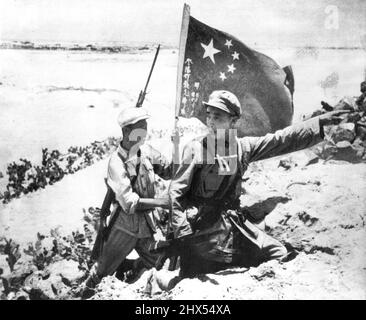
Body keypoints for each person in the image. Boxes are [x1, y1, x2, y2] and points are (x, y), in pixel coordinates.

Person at [168, 90, 349, 277]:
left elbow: (280, 140)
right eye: (209, 116)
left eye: (218, 116)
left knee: (278, 252)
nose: (211, 122)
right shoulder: (196, 149)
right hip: (203, 231)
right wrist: (182, 232)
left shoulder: (243, 148)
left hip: (233, 227)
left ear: (233, 121)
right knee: (200, 273)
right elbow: (176, 192)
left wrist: (318, 123)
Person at [80, 107, 172, 298]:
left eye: (146, 127)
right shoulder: (116, 162)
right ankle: (82, 295)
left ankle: (134, 268)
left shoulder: (146, 151)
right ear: (126, 132)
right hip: (124, 228)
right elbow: (129, 203)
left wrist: (184, 152)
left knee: (162, 262)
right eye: (141, 128)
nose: (145, 132)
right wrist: (161, 203)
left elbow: (168, 170)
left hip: (146, 226)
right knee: (101, 271)